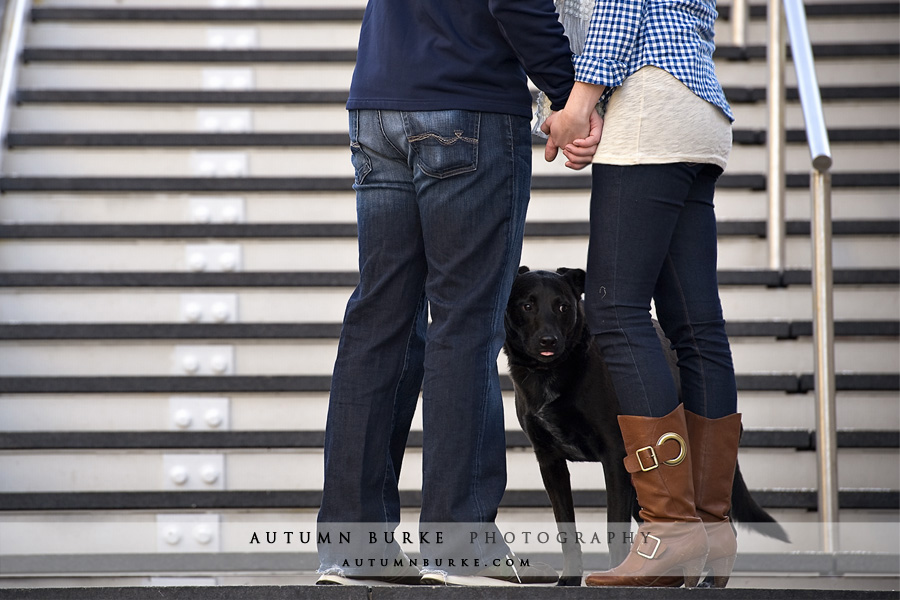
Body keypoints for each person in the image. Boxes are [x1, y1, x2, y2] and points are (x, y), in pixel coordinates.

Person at [316, 0, 601, 587]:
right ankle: (460, 542)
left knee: (379, 322)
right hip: (466, 102)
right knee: (465, 321)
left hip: (378, 101)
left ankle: (352, 546)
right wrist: (567, 92)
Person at [543, 0, 743, 589]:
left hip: (646, 105)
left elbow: (619, 6)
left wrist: (579, 104)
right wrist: (573, 111)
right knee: (695, 325)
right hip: (692, 106)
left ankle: (669, 527)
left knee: (612, 309)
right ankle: (709, 526)